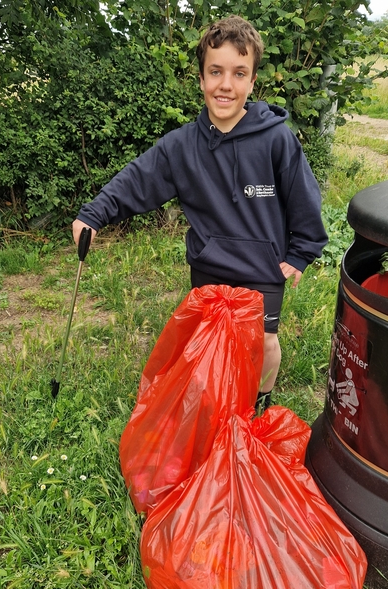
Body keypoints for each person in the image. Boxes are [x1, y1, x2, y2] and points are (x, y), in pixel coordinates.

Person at [72, 15, 328, 409]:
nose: (226, 84)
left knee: (264, 340)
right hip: (209, 264)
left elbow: (303, 197)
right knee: (209, 338)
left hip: (263, 269)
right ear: (201, 79)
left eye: (239, 73)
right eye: (216, 72)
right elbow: (138, 179)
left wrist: (301, 252)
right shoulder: (181, 146)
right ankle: (216, 401)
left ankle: (259, 402)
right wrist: (93, 214)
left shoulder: (276, 138)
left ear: (252, 81)